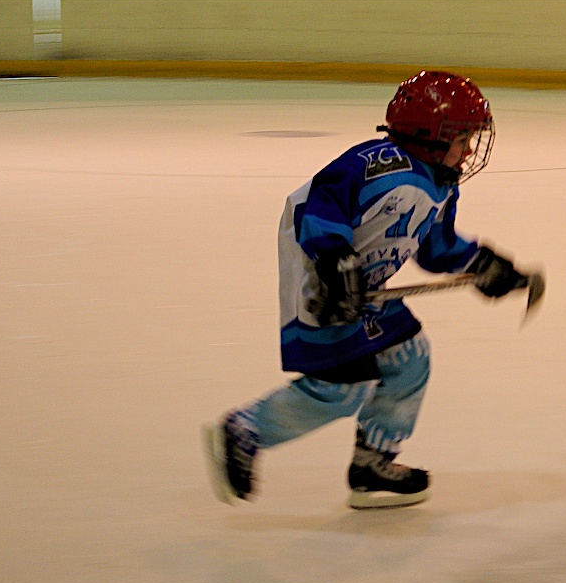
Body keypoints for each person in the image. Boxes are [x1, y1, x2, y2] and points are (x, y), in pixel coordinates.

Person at [204, 70, 528, 509]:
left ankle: (372, 463)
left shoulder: (441, 184)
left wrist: (483, 265)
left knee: (410, 358)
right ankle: (246, 429)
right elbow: (318, 204)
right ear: (430, 135)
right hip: (320, 280)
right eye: (462, 138)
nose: (469, 150)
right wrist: (335, 262)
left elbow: (436, 248)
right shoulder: (378, 164)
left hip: (364, 285)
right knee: (342, 389)